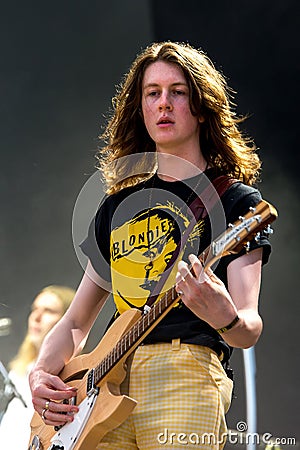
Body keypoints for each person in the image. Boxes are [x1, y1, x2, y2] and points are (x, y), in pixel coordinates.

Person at [29, 41, 273, 450]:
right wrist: (39, 374)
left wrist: (224, 317)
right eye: (152, 93)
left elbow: (247, 328)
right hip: (104, 384)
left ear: (200, 107)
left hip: (186, 372)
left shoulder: (236, 202)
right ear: (140, 108)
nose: (164, 104)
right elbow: (75, 322)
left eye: (178, 92)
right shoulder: (117, 206)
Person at [0, 285, 75, 449]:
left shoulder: (75, 375)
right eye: (35, 309)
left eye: (49, 311)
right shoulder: (18, 370)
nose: (37, 317)